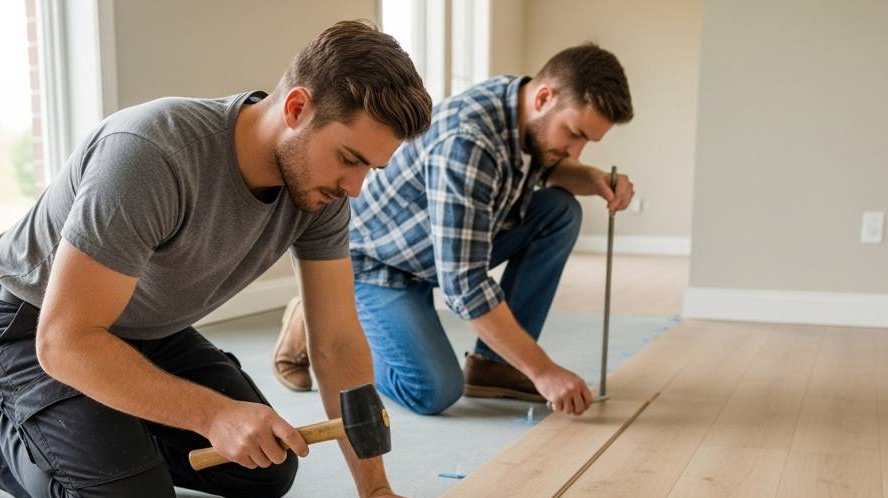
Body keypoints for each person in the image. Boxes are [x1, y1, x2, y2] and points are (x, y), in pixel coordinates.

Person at [0, 21, 473, 498]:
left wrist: (375, 488)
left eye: (370, 169)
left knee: (267, 468)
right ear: (297, 108)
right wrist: (212, 414)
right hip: (37, 326)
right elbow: (65, 340)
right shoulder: (151, 153)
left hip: (144, 328)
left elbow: (334, 342)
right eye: (350, 159)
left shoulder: (322, 192)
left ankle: (105, 410)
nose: (354, 186)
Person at [272, 43, 635, 417]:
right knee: (433, 390)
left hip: (435, 249)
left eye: (587, 142)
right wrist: (544, 371)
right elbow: (465, 284)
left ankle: (496, 366)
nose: (576, 151)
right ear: (544, 97)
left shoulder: (523, 106)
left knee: (559, 211)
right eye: (574, 134)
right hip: (376, 264)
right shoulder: (469, 140)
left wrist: (593, 179)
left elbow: (546, 163)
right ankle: (317, 316)